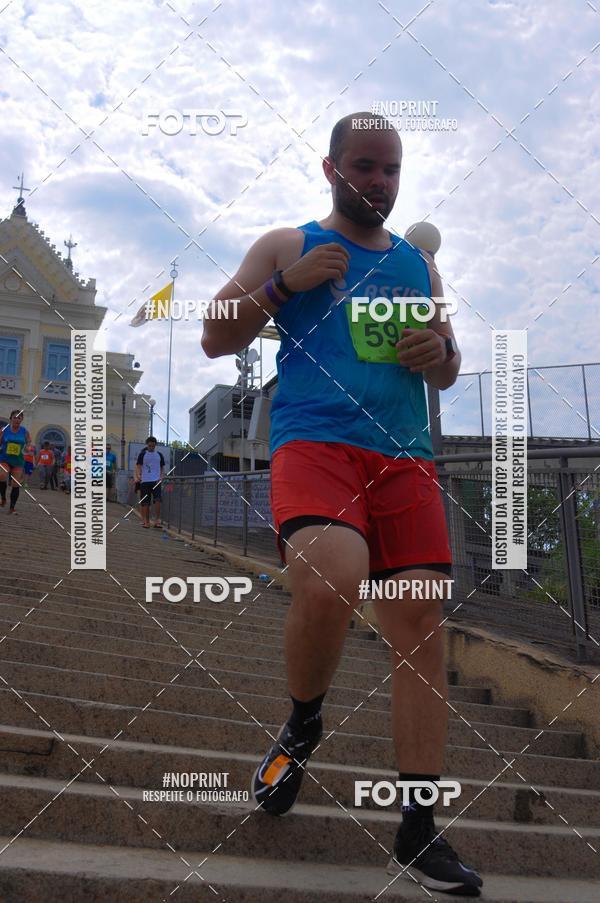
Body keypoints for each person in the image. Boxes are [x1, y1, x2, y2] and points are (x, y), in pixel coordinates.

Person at [201, 112, 481, 897]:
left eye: (391, 170)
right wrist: (283, 285)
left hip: (404, 456)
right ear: (331, 169)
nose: (379, 183)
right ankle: (303, 722)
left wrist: (440, 352)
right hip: (316, 443)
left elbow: (448, 365)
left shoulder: (418, 267)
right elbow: (214, 336)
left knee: (421, 622)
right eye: (364, 167)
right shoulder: (286, 244)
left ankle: (418, 829)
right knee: (332, 576)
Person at [0, 409, 31, 514]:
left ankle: (12, 507)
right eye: (15, 417)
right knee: (2, 475)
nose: (17, 420)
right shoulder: (4, 430)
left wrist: (27, 447)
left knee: (15, 484)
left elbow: (29, 442)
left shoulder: (24, 431)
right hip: (5, 459)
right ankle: (3, 498)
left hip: (18, 461)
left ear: (21, 420)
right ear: (11, 419)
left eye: (19, 418)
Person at [134, 437, 165, 528]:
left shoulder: (159, 455)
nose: (151, 447)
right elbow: (138, 466)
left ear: (155, 445)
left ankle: (157, 521)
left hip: (156, 481)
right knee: (145, 503)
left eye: (153, 446)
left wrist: (161, 477)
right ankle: (146, 522)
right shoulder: (142, 454)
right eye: (150, 445)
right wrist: (138, 475)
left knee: (158, 500)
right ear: (147, 445)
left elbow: (162, 468)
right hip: (145, 481)